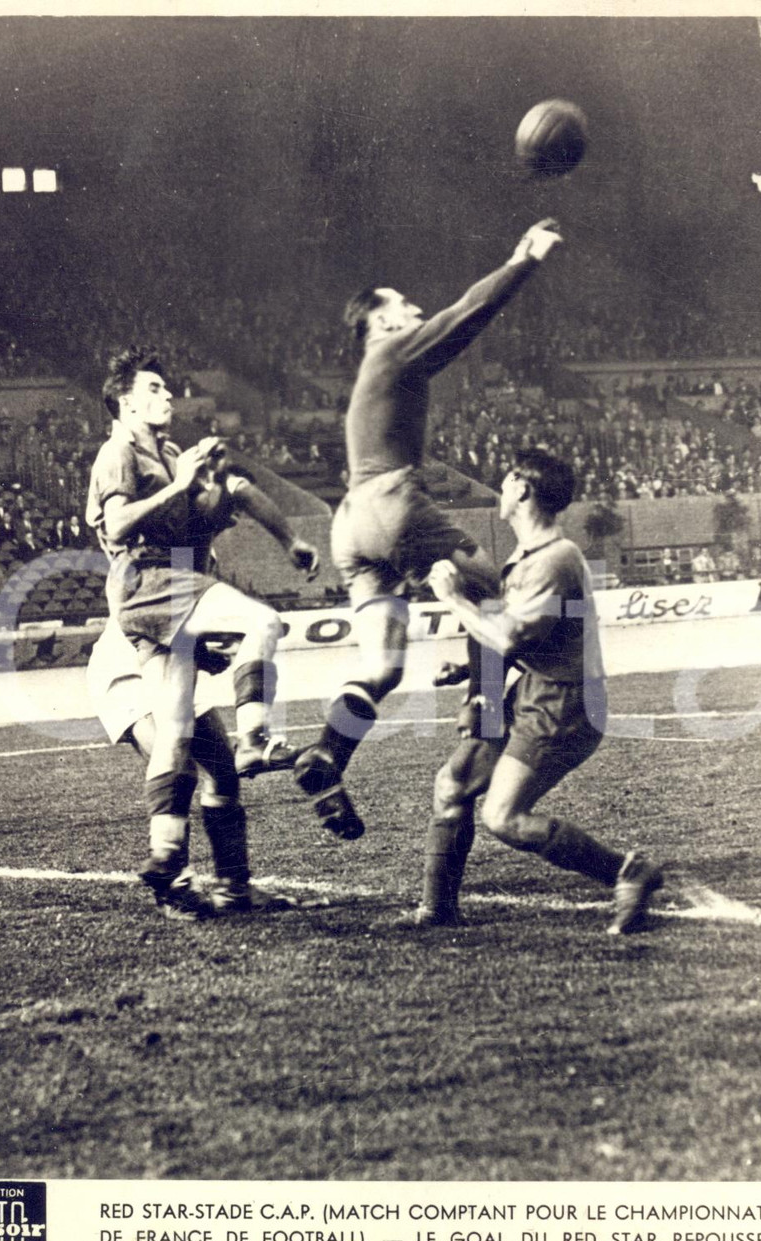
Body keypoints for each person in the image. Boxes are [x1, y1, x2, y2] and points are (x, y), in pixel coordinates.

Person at [294, 218, 565, 841]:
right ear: (382, 321)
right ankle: (483, 710)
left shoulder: (376, 371)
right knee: (494, 589)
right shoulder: (391, 348)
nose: (415, 308)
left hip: (350, 523)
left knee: (383, 668)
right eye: (404, 303)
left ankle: (330, 755)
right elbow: (468, 314)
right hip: (393, 505)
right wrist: (524, 258)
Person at [86, 347, 319, 910]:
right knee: (263, 621)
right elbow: (118, 525)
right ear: (126, 400)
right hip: (146, 593)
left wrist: (212, 484)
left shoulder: (168, 454)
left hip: (160, 606)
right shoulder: (119, 452)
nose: (170, 397)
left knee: (181, 738)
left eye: (169, 389)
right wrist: (183, 483)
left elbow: (234, 494)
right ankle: (256, 739)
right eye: (157, 389)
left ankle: (171, 859)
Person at [404, 451, 667, 935]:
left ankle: (628, 871)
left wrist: (454, 598)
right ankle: (436, 909)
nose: (501, 488)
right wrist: (467, 667)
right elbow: (524, 635)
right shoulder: (527, 557)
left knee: (503, 818)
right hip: (535, 691)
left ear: (522, 490)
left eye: (506, 480)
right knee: (453, 783)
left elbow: (508, 637)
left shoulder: (556, 559)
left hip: (564, 703)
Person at [86, 620, 299, 920]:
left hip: (172, 660)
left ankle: (234, 888)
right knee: (175, 762)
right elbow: (154, 611)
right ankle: (176, 889)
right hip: (126, 665)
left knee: (223, 773)